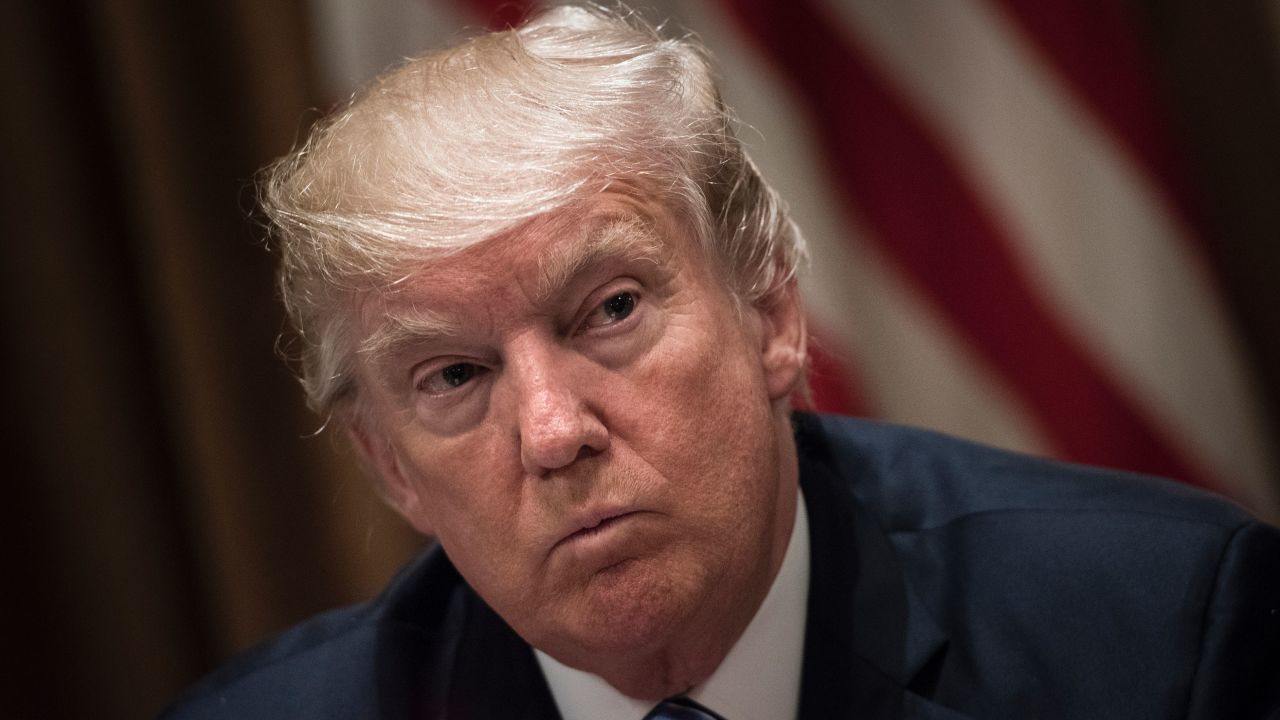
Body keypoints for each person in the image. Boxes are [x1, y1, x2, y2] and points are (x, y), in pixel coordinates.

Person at [163, 5, 1280, 719]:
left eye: (607, 310)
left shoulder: (1160, 634)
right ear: (387, 466)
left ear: (769, 314)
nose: (553, 433)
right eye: (452, 377)